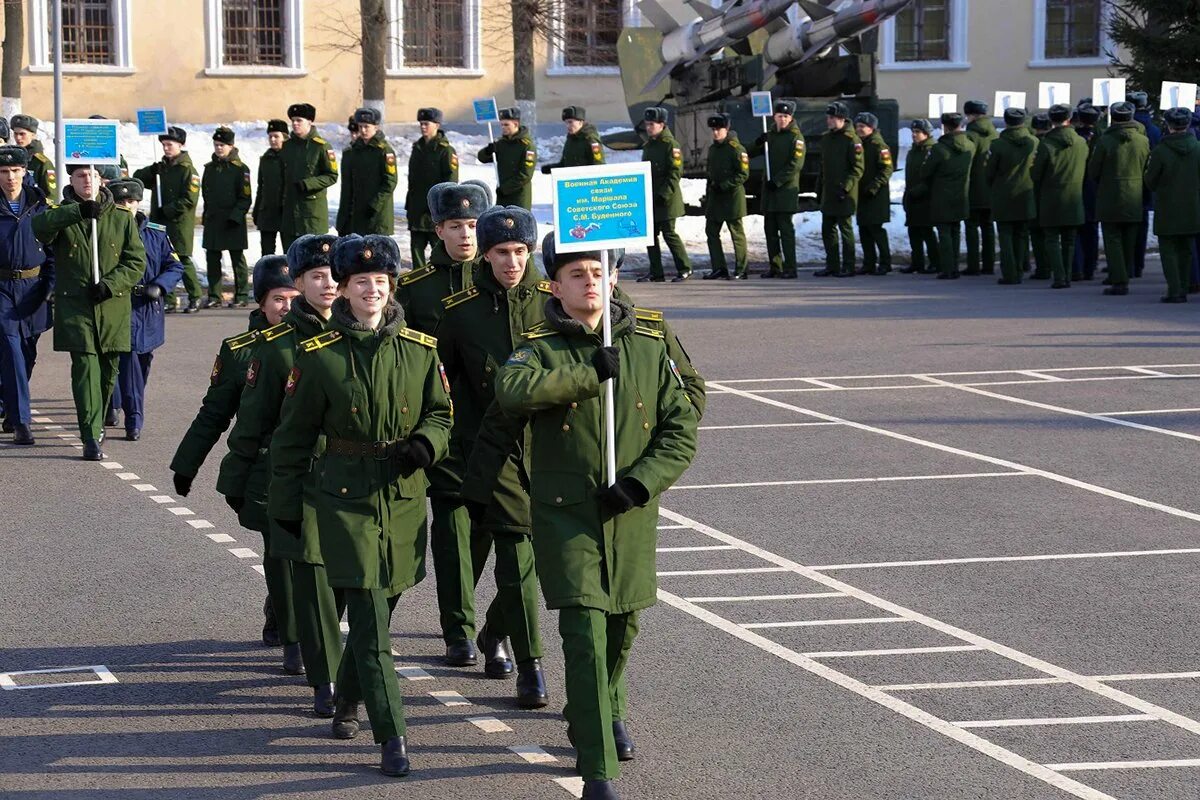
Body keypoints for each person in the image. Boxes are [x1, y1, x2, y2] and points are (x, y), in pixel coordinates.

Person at [494, 232, 698, 800]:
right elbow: (512, 390)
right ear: (554, 285)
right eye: (576, 273)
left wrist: (640, 482)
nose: (589, 282)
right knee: (583, 628)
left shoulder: (650, 340)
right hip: (566, 512)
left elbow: (682, 425)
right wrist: (590, 373)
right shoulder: (538, 344)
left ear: (613, 278)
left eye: (598, 271)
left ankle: (605, 708)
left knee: (621, 625)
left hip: (629, 510)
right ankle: (596, 766)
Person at [269, 234, 453, 777]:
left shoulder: (421, 350)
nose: (371, 290)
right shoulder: (319, 357)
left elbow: (441, 415)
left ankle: (347, 695)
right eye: (359, 283)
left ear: (391, 286)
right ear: (343, 291)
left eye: (380, 281)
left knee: (387, 600)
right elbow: (292, 439)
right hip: (344, 496)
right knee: (372, 618)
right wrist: (283, 507)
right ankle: (391, 732)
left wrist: (426, 444)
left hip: (401, 497)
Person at [218, 234, 342, 718]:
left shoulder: (372, 335)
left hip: (359, 478)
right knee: (302, 568)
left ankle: (315, 641)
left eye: (335, 277)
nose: (327, 284)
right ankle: (316, 663)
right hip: (294, 473)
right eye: (314, 277)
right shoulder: (268, 349)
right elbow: (242, 418)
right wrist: (232, 475)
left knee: (353, 581)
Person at [435, 205, 549, 707]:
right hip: (491, 452)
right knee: (514, 553)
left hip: (549, 451)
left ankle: (492, 633)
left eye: (521, 251)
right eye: (502, 252)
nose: (512, 261)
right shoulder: (460, 313)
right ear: (486, 255)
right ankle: (531, 665)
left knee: (542, 560)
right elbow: (440, 389)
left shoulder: (553, 303)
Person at [170, 257, 300, 651]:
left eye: (295, 298)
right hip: (263, 468)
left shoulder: (321, 343)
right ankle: (289, 628)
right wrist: (186, 465)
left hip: (312, 469)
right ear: (261, 302)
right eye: (279, 299)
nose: (287, 308)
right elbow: (214, 413)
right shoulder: (241, 351)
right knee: (280, 550)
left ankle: (288, 615)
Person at [395, 179, 490, 665]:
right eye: (457, 226)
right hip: (442, 427)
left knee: (488, 531)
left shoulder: (504, 278)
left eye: (474, 225)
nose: (467, 235)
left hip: (497, 428)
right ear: (438, 230)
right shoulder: (414, 290)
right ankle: (459, 629)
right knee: (451, 530)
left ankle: (476, 617)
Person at [32, 164, 145, 460]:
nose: (87, 181)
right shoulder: (61, 215)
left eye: (92, 176)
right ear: (70, 179)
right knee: (84, 370)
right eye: (80, 176)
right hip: (76, 307)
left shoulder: (121, 218)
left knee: (108, 371)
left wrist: (110, 285)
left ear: (101, 180)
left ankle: (99, 418)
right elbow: (39, 229)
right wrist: (78, 213)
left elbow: (135, 262)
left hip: (111, 306)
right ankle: (90, 434)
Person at [107, 178, 184, 441]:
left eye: (131, 201)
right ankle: (133, 418)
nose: (127, 207)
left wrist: (160, 286)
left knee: (142, 360)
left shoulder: (156, 232)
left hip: (148, 306)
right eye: (121, 202)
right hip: (119, 304)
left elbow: (174, 266)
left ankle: (117, 400)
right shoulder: (106, 231)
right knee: (126, 361)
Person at [0, 145, 53, 445]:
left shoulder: (40, 206)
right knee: (11, 349)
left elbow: (54, 250)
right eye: (4, 172)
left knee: (27, 352)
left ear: (24, 172)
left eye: (15, 171)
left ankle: (9, 405)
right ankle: (22, 422)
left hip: (34, 288)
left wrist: (50, 286)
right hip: (2, 289)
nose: (10, 178)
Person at [133, 126, 202, 313]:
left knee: (183, 260)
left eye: (169, 144)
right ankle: (169, 298)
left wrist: (169, 210)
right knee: (161, 260)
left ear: (180, 145)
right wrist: (152, 169)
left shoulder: (188, 170)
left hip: (178, 224)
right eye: (163, 144)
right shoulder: (161, 168)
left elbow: (190, 199)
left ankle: (195, 296)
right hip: (159, 223)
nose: (166, 148)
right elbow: (137, 180)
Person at [1088, 101, 1149, 296]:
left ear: (1113, 118)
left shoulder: (1105, 141)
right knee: (1129, 238)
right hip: (1134, 193)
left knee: (1112, 238)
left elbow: (1094, 170)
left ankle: (1119, 279)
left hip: (1110, 194)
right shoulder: (1142, 140)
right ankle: (1125, 272)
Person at [1144, 107, 1200, 303]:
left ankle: (1174, 289)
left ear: (1168, 125)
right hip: (1193, 205)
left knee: (1168, 249)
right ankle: (1184, 286)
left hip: (1168, 206)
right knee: (1186, 248)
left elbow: (1150, 181)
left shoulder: (1160, 151)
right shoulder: (1198, 148)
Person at [1031, 104, 1088, 289]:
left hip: (1051, 197)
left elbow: (1036, 174)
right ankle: (1069, 275)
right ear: (1069, 118)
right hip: (1074, 196)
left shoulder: (1046, 144)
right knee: (1070, 239)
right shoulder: (1081, 142)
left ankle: (1059, 276)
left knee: (1052, 239)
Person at [746, 99, 804, 278]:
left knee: (785, 231)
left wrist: (777, 181)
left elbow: (795, 165)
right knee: (770, 231)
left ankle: (790, 267)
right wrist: (758, 142)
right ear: (774, 116)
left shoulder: (796, 138)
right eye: (780, 116)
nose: (782, 119)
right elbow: (748, 152)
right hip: (770, 193)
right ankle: (775, 266)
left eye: (786, 116)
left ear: (791, 117)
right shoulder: (770, 135)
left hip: (785, 191)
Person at [916, 113, 974, 280]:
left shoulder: (939, 149)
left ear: (945, 127)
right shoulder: (970, 145)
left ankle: (948, 268)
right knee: (955, 230)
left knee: (944, 232)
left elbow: (925, 172)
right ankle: (954, 266)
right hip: (961, 194)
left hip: (942, 195)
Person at [986, 108, 1038, 285]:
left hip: (1003, 193)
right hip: (1026, 192)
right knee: (1022, 233)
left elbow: (989, 171)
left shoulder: (997, 145)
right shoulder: (1034, 142)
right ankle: (1021, 267)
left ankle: (1010, 273)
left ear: (1006, 122)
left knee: (1006, 234)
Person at [201, 126, 252, 308]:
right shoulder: (210, 168)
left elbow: (245, 198)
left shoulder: (240, 169)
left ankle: (242, 295)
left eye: (222, 145)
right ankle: (214, 296)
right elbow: (206, 194)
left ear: (231, 146)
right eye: (216, 144)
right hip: (214, 220)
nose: (219, 148)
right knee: (212, 259)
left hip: (233, 222)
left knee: (237, 260)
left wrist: (236, 216)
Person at [639, 107, 692, 283]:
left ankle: (684, 268)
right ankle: (656, 272)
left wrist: (664, 194)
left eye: (652, 124)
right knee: (650, 236)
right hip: (652, 198)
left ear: (662, 125)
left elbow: (675, 172)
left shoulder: (671, 145)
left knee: (669, 234)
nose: (648, 128)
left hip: (667, 199)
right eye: (647, 124)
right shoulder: (648, 145)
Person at [815, 102, 864, 278]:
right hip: (829, 192)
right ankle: (832, 265)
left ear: (842, 119)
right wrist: (819, 189)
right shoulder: (827, 138)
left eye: (832, 118)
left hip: (844, 193)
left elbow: (857, 168)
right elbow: (823, 167)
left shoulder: (852, 140)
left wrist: (846, 187)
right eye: (828, 118)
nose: (828, 121)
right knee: (828, 229)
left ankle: (849, 265)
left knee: (845, 229)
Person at [280, 103, 338, 248]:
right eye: (293, 120)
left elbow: (332, 175)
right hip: (290, 214)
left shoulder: (321, 147)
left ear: (310, 122)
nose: (295, 124)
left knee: (313, 259)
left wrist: (308, 184)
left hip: (312, 213)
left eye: (299, 120)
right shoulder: (287, 146)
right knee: (290, 258)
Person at [406, 108, 458, 269]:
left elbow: (451, 182)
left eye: (426, 124)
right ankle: (417, 282)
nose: (423, 127)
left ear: (437, 125)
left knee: (439, 250)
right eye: (421, 124)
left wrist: (440, 207)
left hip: (435, 210)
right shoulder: (417, 147)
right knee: (416, 249)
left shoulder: (445, 150)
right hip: (416, 209)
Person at [701, 113, 749, 280]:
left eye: (719, 129)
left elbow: (743, 174)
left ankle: (741, 269)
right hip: (716, 198)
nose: (715, 133)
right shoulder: (713, 149)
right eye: (713, 129)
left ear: (726, 129)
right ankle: (719, 267)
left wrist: (725, 185)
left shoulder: (736, 149)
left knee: (736, 233)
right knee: (711, 232)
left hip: (732, 198)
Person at [337, 107, 398, 236]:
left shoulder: (384, 151)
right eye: (360, 127)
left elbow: (390, 182)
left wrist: (375, 205)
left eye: (367, 127)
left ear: (376, 127)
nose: (363, 130)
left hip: (376, 216)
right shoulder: (354, 151)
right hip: (355, 215)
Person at [854, 112, 893, 276]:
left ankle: (885, 262)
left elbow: (887, 169)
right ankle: (869, 262)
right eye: (857, 127)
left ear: (871, 128)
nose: (859, 130)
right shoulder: (859, 144)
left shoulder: (879, 145)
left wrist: (874, 187)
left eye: (862, 127)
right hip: (862, 194)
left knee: (876, 229)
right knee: (864, 229)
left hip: (875, 195)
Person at [963, 100, 998, 276]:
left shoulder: (970, 136)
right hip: (991, 187)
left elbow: (966, 162)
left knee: (971, 226)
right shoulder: (995, 134)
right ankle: (989, 264)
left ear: (971, 115)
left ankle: (973, 265)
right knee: (988, 226)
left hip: (974, 187)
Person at [477, 108, 535, 210]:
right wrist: (488, 151)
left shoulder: (526, 145)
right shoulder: (501, 143)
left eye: (506, 125)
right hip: (502, 195)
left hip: (519, 196)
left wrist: (505, 189)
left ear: (516, 124)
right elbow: (482, 158)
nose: (503, 127)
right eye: (502, 125)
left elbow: (525, 175)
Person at [901, 119, 939, 275]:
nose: (914, 135)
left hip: (926, 197)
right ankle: (917, 262)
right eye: (913, 132)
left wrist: (920, 190)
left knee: (927, 232)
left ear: (926, 133)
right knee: (914, 232)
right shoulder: (913, 151)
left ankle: (935, 262)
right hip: (912, 196)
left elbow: (931, 177)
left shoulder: (931, 151)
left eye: (918, 132)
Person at [1130, 91, 1161, 279]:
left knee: (1126, 228)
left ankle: (1128, 264)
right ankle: (1138, 263)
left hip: (1129, 182)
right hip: (1147, 182)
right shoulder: (1155, 129)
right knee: (1141, 225)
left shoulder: (1133, 128)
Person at [1072, 104, 1102, 281]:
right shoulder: (1101, 136)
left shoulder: (1076, 137)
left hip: (1077, 183)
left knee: (1077, 228)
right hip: (1094, 185)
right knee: (1091, 228)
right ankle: (1090, 266)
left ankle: (1078, 266)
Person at [253, 120, 289, 256]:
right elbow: (261, 187)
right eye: (270, 136)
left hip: (286, 212)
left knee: (289, 252)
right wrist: (257, 210)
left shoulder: (291, 157)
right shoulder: (265, 159)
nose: (273, 140)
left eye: (276, 136)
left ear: (285, 137)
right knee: (267, 253)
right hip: (267, 212)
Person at [542, 107, 605, 172]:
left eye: (570, 122)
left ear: (580, 122)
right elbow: (565, 164)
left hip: (584, 181)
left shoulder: (590, 139)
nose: (568, 126)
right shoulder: (570, 140)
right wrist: (551, 169)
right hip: (570, 180)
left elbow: (599, 166)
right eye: (566, 123)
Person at [10, 115, 56, 199]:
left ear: (33, 135)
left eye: (22, 134)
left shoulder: (41, 163)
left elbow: (51, 195)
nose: (18, 137)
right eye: (15, 134)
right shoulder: (12, 158)